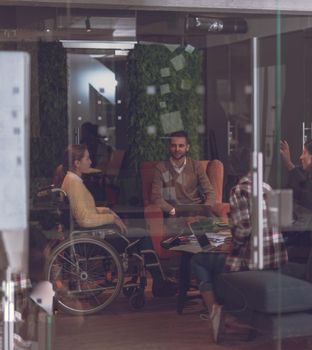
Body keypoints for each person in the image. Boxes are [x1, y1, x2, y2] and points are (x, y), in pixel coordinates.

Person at [191, 156, 288, 343]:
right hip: (274, 257)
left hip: (252, 260)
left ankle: (214, 314)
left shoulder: (239, 190)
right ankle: (231, 312)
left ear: (235, 169)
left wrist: (231, 242)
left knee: (198, 259)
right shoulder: (267, 187)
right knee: (218, 259)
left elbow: (243, 229)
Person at [60, 144, 176, 296]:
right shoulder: (75, 184)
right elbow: (85, 220)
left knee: (138, 232)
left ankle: (155, 280)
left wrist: (109, 212)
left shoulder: (70, 180)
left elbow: (85, 211)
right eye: (87, 158)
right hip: (95, 237)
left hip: (90, 234)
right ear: (77, 163)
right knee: (143, 234)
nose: (90, 162)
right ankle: (158, 282)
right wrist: (111, 218)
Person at [150, 130, 215, 217]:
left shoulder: (196, 166)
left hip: (197, 212)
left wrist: (204, 210)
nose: (177, 149)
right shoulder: (161, 168)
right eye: (174, 146)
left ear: (187, 147)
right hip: (174, 213)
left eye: (181, 146)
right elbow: (156, 196)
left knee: (217, 228)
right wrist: (171, 210)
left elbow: (210, 192)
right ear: (169, 147)